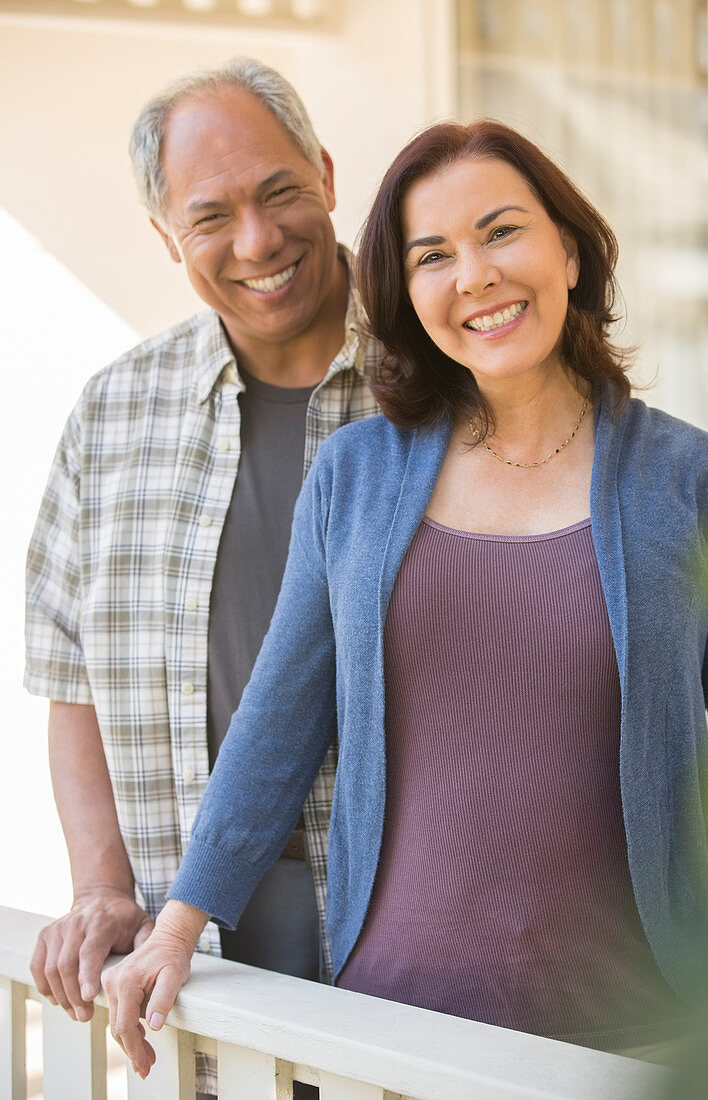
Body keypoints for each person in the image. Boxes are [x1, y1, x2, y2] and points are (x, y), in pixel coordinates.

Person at [103, 119, 708, 1080]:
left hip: (642, 1037)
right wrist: (179, 923)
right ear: (407, 295)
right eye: (432, 255)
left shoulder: (689, 480)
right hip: (389, 1031)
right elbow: (280, 717)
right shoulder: (356, 473)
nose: (473, 275)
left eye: (500, 232)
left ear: (568, 248)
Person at [24, 58, 381, 1094]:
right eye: (212, 215)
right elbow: (70, 676)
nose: (258, 241)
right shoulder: (112, 413)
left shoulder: (443, 383)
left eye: (277, 192)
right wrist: (99, 885)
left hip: (420, 979)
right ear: (165, 238)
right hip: (198, 983)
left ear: (322, 172)